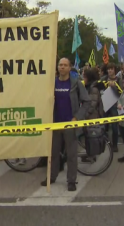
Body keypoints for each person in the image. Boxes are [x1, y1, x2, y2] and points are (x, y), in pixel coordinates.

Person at [40, 57, 90, 191]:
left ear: (69, 68)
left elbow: (86, 101)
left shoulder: (76, 83)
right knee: (53, 153)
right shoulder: (52, 83)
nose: (62, 67)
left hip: (70, 125)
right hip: (55, 124)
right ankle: (52, 176)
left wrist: (77, 117)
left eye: (65, 65)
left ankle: (71, 180)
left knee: (72, 154)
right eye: (60, 65)